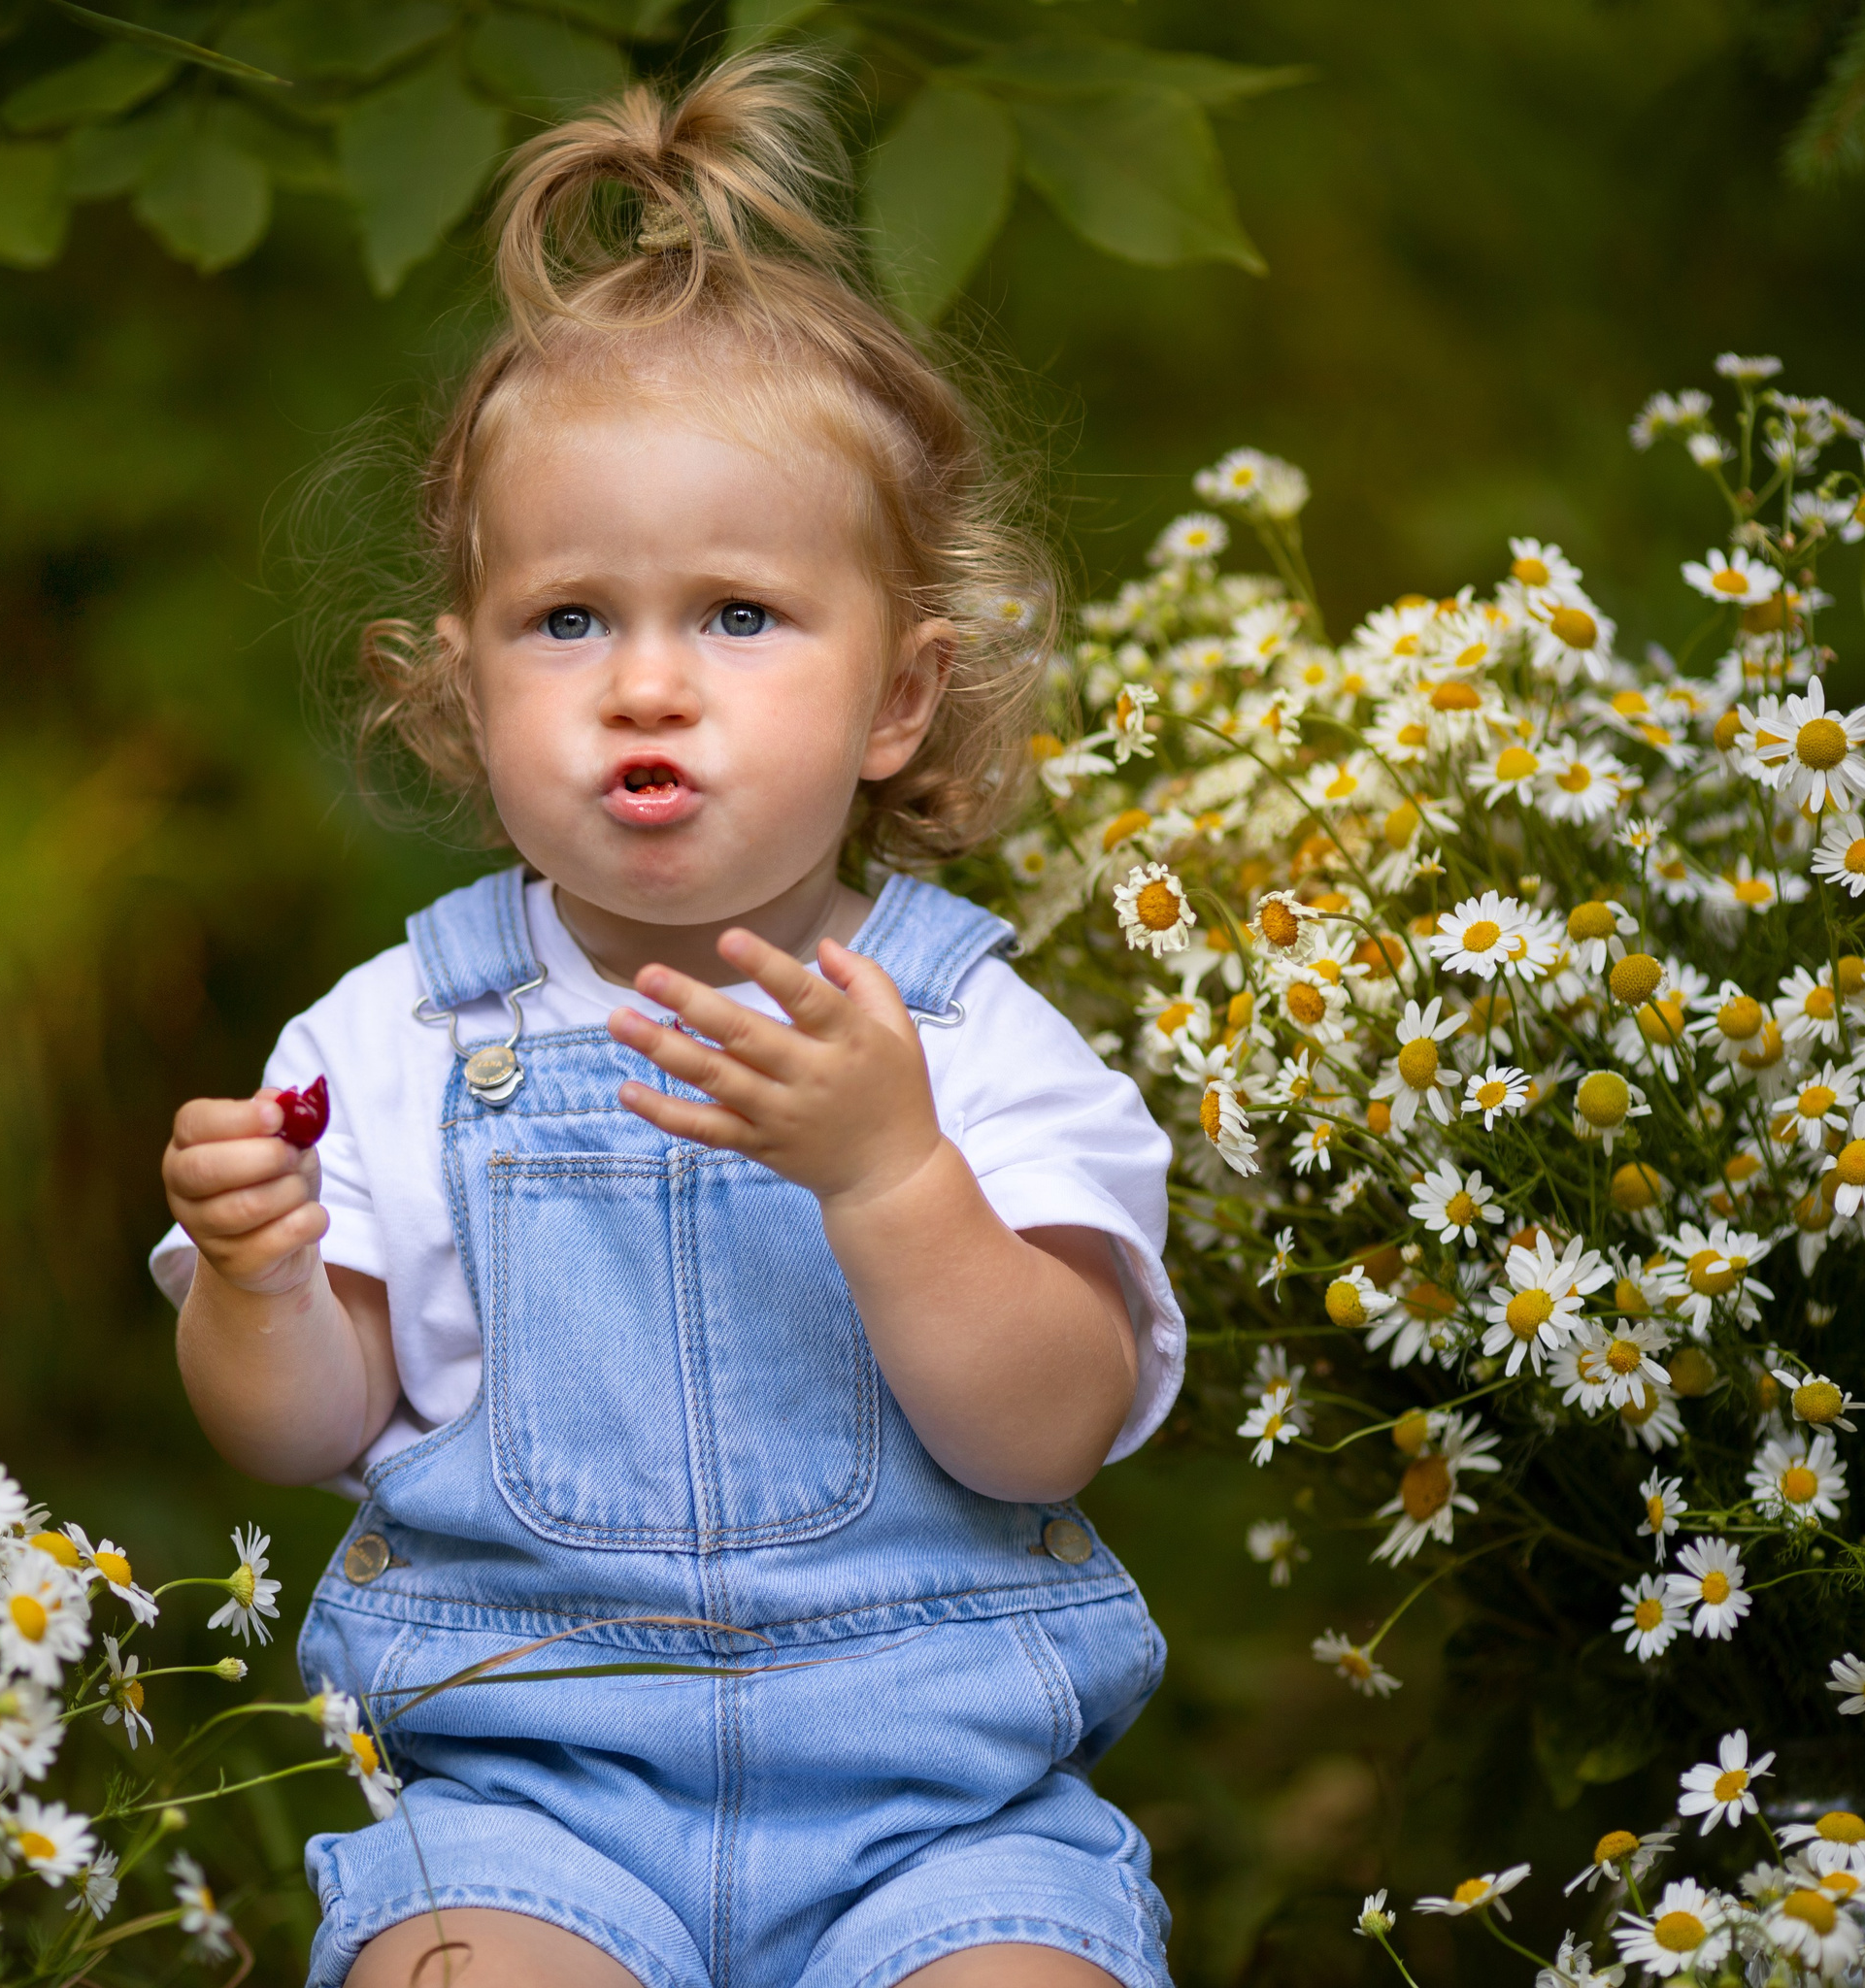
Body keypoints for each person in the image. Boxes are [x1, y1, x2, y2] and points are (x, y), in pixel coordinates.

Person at [152, 51, 1183, 1988]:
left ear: (897, 696)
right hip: (525, 1795)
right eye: (565, 620)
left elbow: (1046, 1428)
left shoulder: (964, 1035)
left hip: (940, 1816)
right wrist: (262, 1280)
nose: (644, 685)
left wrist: (887, 1173)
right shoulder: (392, 1035)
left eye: (736, 616)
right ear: (460, 693)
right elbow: (296, 1435)